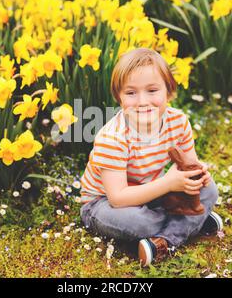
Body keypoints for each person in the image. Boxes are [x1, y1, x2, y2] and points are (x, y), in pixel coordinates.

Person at [79, 48, 223, 266]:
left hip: (151, 189)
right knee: (140, 222)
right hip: (103, 203)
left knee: (210, 189)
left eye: (152, 90)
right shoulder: (112, 138)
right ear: (119, 97)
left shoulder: (178, 122)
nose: (142, 101)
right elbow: (118, 198)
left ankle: (165, 240)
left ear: (169, 91)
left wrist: (197, 176)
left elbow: (189, 166)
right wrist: (168, 183)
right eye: (131, 93)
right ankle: (191, 223)